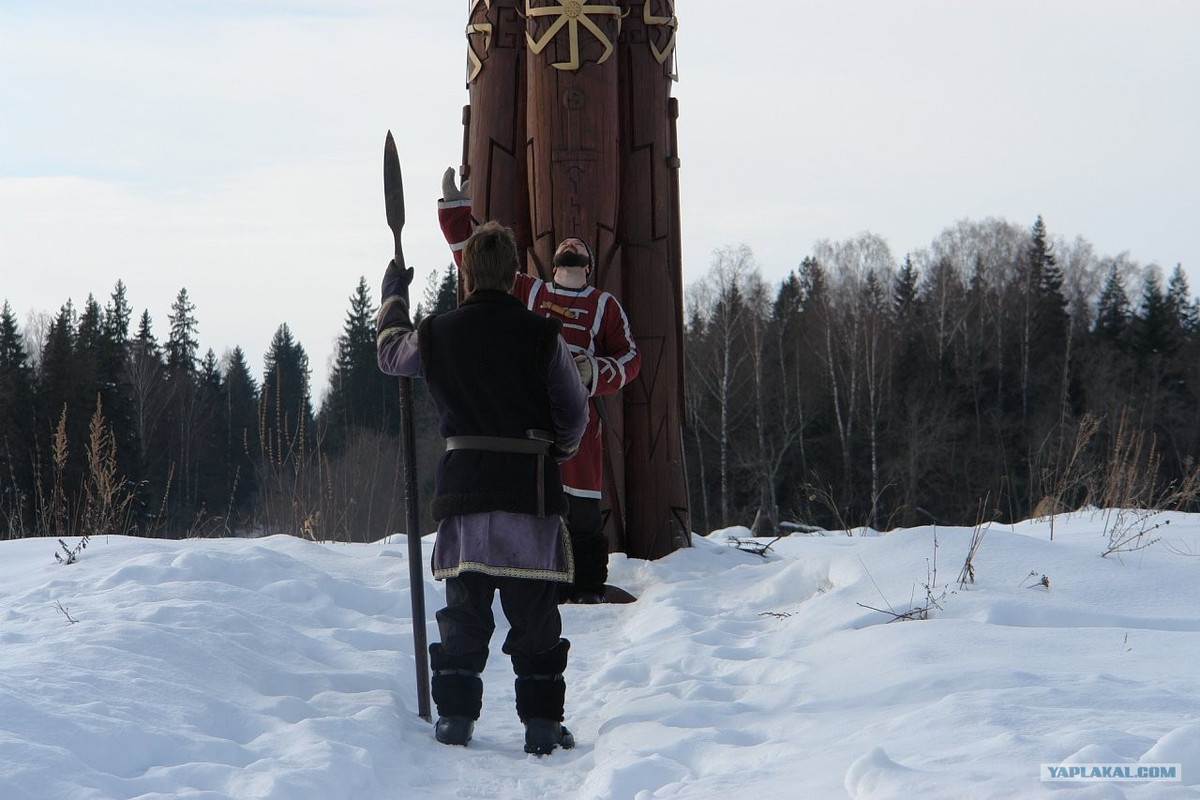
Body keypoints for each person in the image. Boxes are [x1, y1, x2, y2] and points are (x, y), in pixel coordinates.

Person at [376, 221, 588, 755]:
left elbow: (390, 353)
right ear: (516, 276)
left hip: (465, 494)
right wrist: (555, 451)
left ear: (467, 275)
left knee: (465, 613)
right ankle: (541, 725)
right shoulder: (544, 337)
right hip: (528, 493)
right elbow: (574, 413)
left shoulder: (437, 332)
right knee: (535, 617)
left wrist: (394, 297)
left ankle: (454, 718)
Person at [438, 169, 641, 604]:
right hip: (530, 416)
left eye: (577, 259)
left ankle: (586, 584)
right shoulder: (529, 292)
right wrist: (458, 216)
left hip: (581, 423)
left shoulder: (603, 305)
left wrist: (594, 372)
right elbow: (480, 265)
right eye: (564, 258)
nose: (571, 261)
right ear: (552, 267)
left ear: (588, 267)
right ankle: (538, 579)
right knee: (535, 499)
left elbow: (631, 359)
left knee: (583, 506)